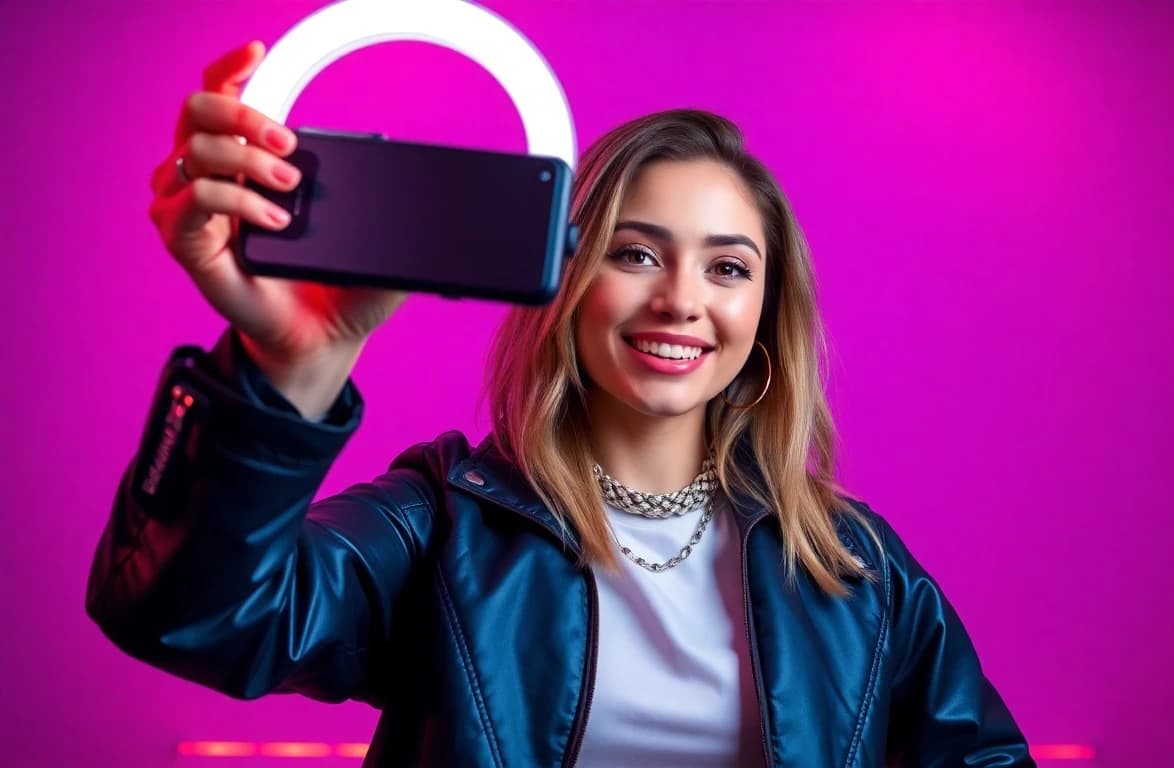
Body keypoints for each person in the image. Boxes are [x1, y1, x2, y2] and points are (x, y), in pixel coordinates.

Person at [86, 41, 1035, 768]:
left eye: (729, 267)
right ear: (568, 282)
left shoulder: (857, 570)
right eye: (635, 253)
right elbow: (195, 618)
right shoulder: (440, 523)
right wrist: (293, 360)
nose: (680, 300)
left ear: (766, 315)